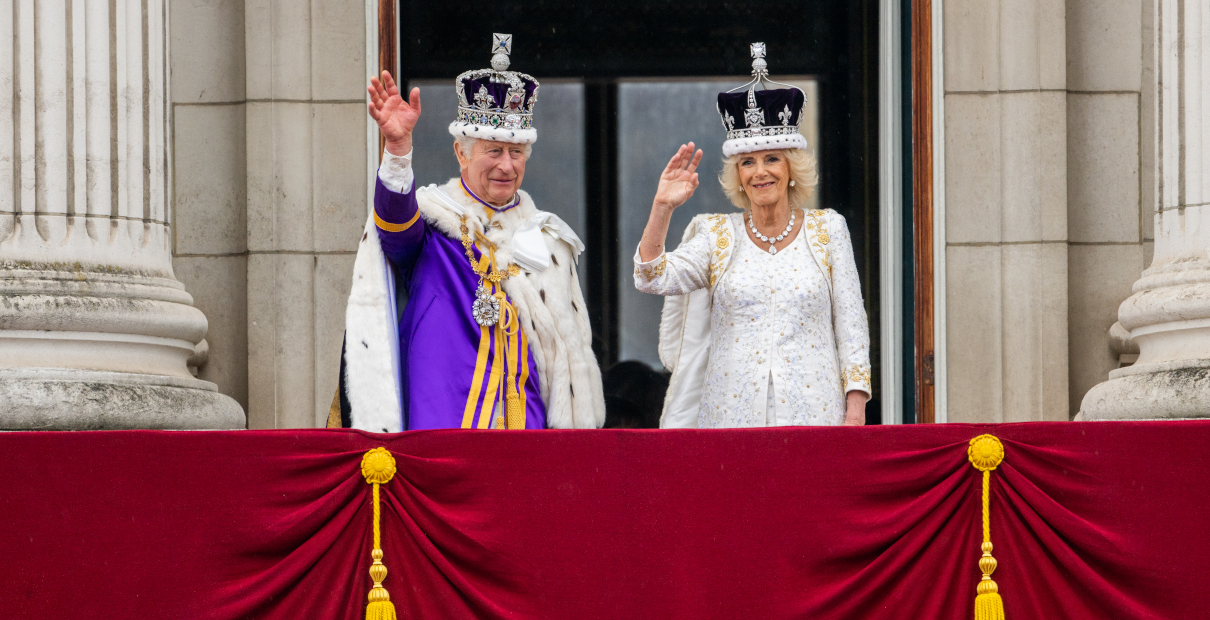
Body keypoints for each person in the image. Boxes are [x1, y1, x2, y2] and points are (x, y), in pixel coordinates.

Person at [330, 34, 604, 431]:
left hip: (527, 429)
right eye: (493, 151)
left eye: (516, 153)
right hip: (444, 427)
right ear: (462, 153)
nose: (506, 166)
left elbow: (566, 357)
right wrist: (398, 150)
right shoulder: (433, 224)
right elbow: (394, 227)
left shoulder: (547, 240)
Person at [633, 43, 871, 428]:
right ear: (739, 175)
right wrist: (662, 208)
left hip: (816, 418)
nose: (760, 172)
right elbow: (651, 277)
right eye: (748, 162)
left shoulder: (828, 229)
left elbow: (851, 326)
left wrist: (855, 411)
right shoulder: (716, 236)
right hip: (731, 421)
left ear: (791, 167)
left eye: (772, 158)